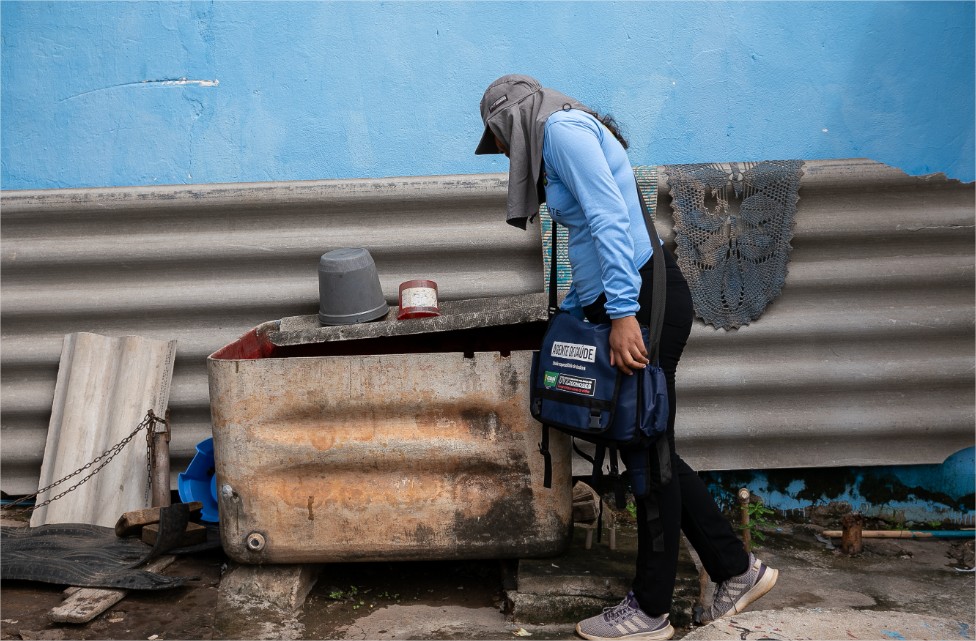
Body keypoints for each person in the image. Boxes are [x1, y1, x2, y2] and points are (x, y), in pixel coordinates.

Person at [475, 74, 778, 641]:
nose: (506, 152)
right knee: (648, 441)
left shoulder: (561, 132)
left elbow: (614, 221)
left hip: (642, 300)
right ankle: (737, 569)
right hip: (627, 298)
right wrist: (577, 311)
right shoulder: (558, 135)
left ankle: (650, 609)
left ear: (514, 118)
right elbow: (590, 237)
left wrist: (620, 315)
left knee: (647, 453)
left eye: (500, 137)